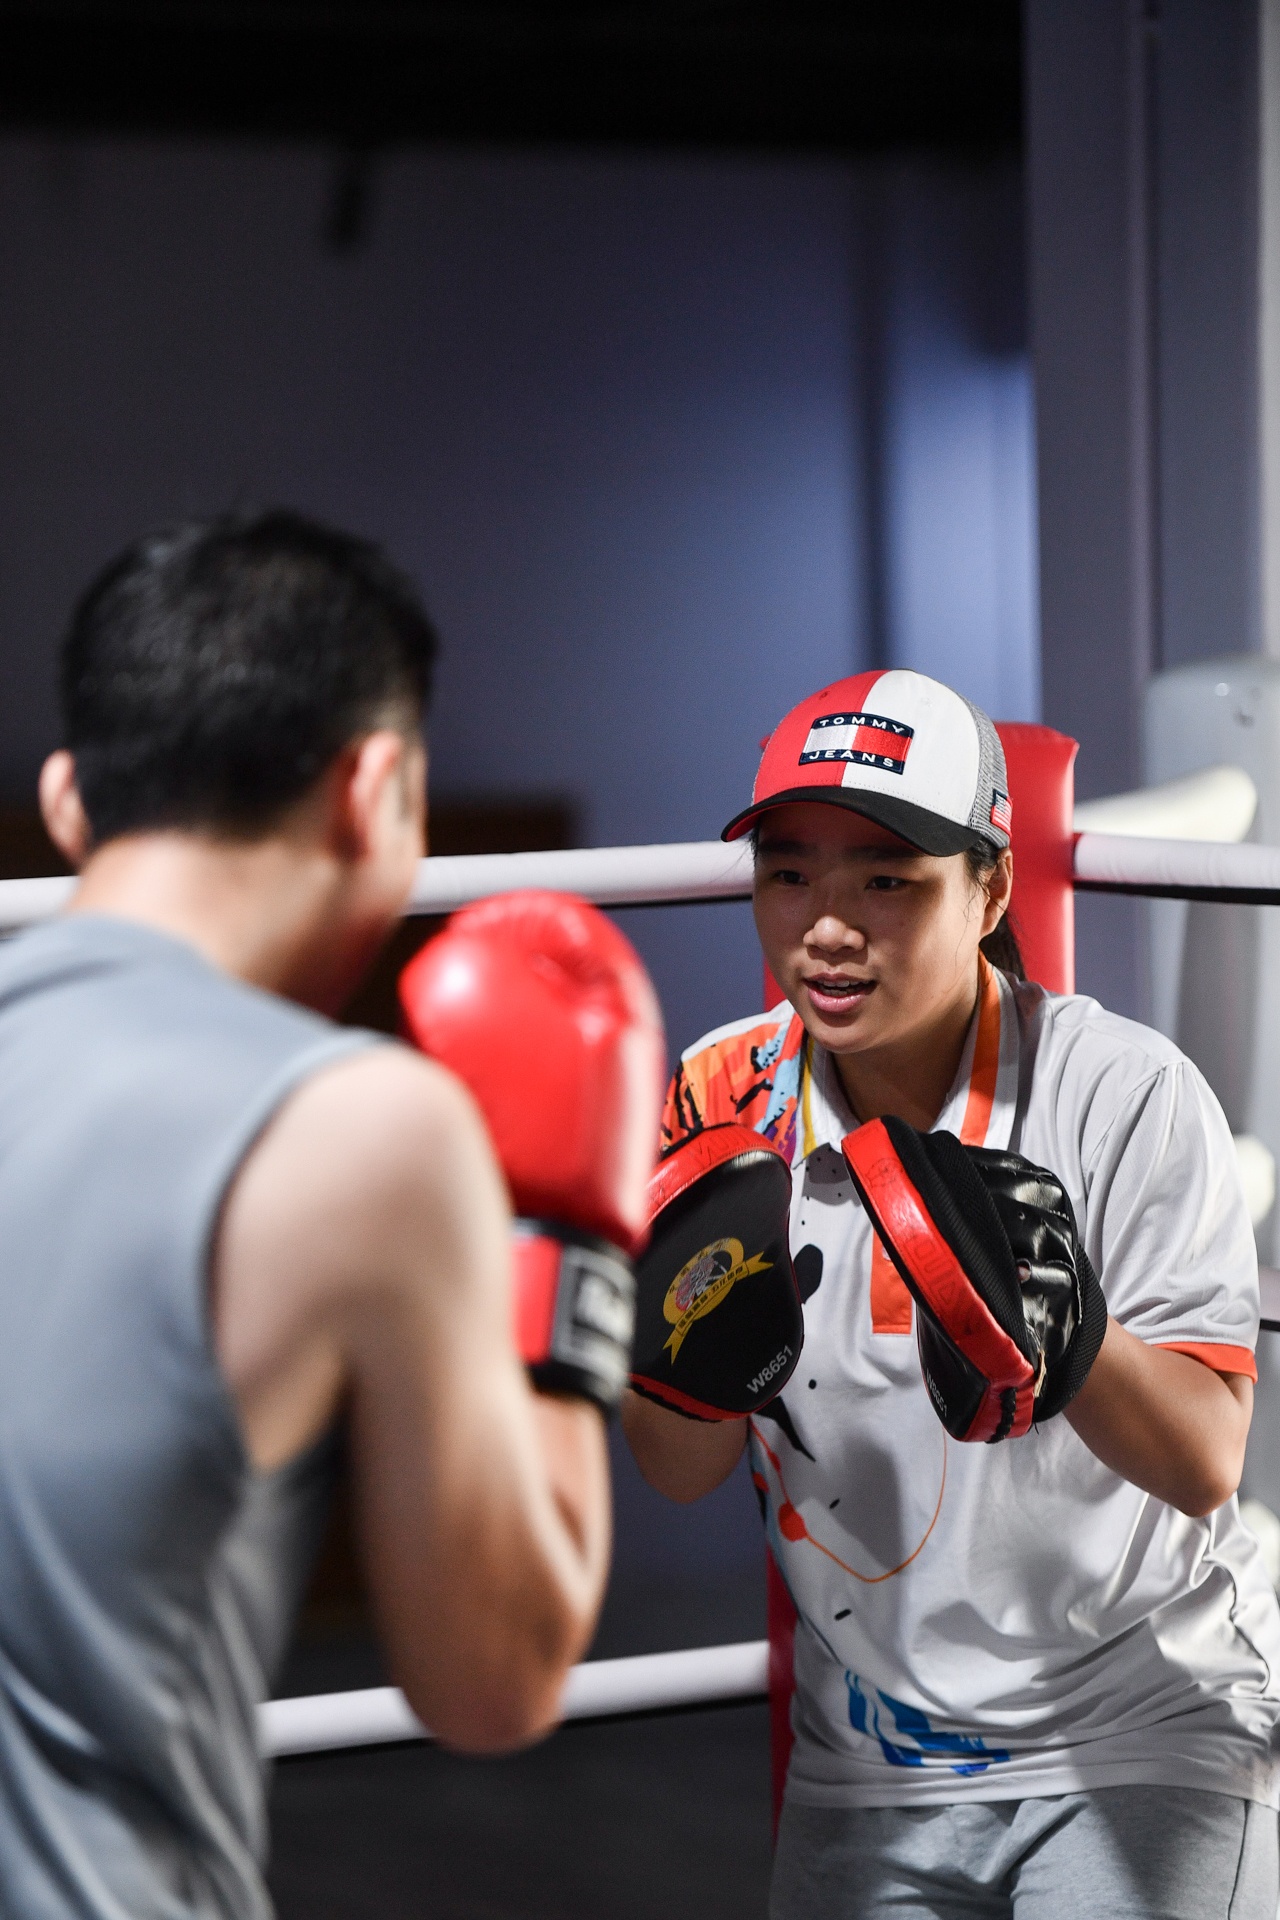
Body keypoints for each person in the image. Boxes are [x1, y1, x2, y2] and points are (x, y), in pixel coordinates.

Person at [0, 509, 664, 1919]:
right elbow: (495, 1678)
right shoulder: (361, 1131)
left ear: (69, 802)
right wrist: (563, 1235)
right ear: (374, 788)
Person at [622, 668, 1280, 1920]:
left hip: (1136, 1729)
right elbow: (677, 1467)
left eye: (885, 879)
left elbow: (1204, 1460)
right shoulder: (721, 1098)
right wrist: (699, 1357)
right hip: (868, 1761)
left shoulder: (1119, 1093)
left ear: (987, 889)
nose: (825, 926)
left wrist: (1071, 1338)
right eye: (786, 872)